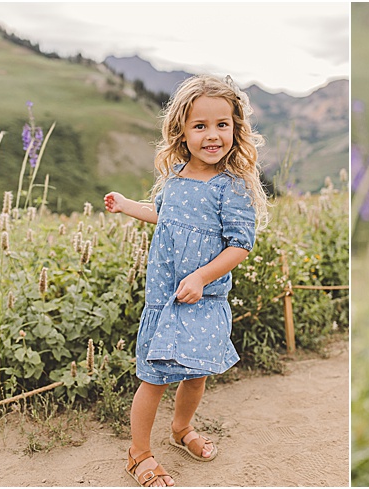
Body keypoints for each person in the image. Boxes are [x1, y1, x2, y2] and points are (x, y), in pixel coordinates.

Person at [105, 74, 269, 487]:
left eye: (222, 125)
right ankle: (138, 453)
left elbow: (239, 246)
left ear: (236, 129)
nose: (212, 135)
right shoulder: (175, 179)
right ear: (181, 131)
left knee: (196, 374)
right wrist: (128, 206)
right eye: (200, 126)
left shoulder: (232, 188)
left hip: (204, 299)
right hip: (164, 300)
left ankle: (181, 429)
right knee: (154, 377)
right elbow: (164, 216)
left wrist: (200, 276)